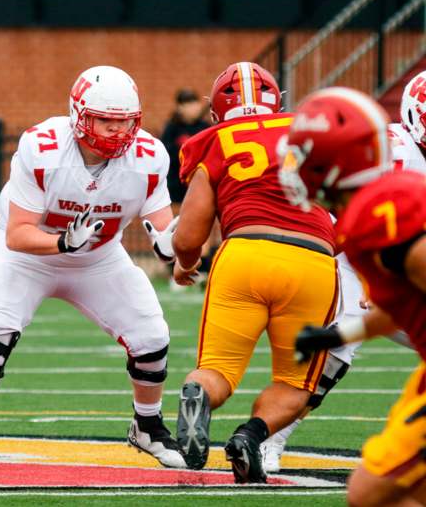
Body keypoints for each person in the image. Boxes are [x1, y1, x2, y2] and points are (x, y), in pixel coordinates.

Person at [0, 65, 185, 470]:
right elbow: (17, 234)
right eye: (106, 121)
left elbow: (164, 228)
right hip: (28, 256)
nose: (118, 132)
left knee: (151, 336)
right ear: (79, 116)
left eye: (125, 123)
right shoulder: (42, 147)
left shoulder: (150, 156)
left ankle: (148, 426)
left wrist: (177, 249)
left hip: (98, 259)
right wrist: (63, 242)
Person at [170, 62, 338, 483]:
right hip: (312, 259)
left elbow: (189, 237)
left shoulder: (214, 140)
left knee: (217, 371)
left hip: (244, 251)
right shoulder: (308, 129)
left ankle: (200, 396)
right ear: (277, 102)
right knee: (297, 385)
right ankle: (251, 436)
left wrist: (185, 267)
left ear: (215, 114)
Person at [260, 72, 426, 473]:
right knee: (334, 349)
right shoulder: (391, 150)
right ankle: (269, 437)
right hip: (372, 260)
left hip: (400, 265)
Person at [159, 88, 210, 214]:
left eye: (194, 102)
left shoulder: (204, 128)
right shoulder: (172, 128)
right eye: (188, 103)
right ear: (180, 107)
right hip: (176, 187)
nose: (192, 107)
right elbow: (166, 154)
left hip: (199, 184)